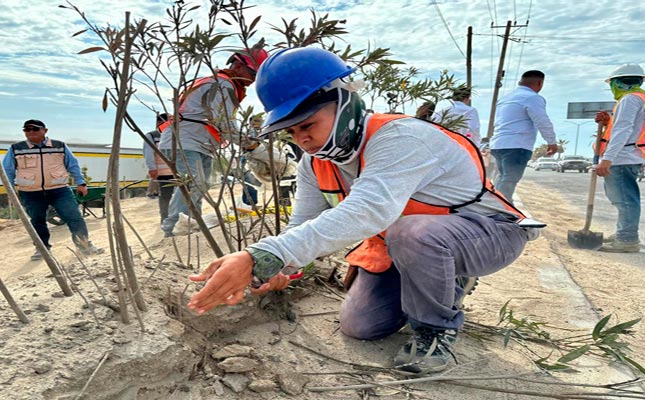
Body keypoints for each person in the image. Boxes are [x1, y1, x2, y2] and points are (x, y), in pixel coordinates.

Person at [186, 48, 538, 375]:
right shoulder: (315, 163)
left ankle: (436, 329)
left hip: (486, 233)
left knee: (413, 233)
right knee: (361, 325)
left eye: (307, 124)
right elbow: (302, 225)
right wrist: (281, 267)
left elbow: (369, 210)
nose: (302, 139)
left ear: (344, 102)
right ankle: (435, 281)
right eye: (291, 132)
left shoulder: (400, 138)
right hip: (406, 245)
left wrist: (260, 256)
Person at [158, 47, 268, 237]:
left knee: (200, 185)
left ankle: (191, 226)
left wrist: (248, 141)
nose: (253, 80)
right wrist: (250, 144)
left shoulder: (225, 85)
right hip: (186, 141)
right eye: (252, 73)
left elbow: (226, 121)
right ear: (239, 66)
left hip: (198, 142)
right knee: (194, 184)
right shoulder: (223, 85)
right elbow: (223, 123)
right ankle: (174, 229)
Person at [2, 119, 104, 260]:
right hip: (31, 192)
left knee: (74, 218)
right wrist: (10, 189)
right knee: (37, 221)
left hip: (59, 190)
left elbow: (72, 164)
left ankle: (85, 245)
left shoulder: (59, 146)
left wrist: (81, 182)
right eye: (27, 130)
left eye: (35, 129)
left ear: (45, 130)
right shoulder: (16, 148)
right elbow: (8, 170)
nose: (31, 132)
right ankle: (42, 249)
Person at [593, 64, 645, 253]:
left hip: (622, 156)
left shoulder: (629, 100)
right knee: (623, 197)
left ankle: (627, 239)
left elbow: (624, 130)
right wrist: (607, 122)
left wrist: (607, 159)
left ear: (617, 83)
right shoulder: (640, 98)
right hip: (630, 155)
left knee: (624, 199)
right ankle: (624, 232)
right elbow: (631, 127)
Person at [490, 70, 558, 201]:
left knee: (503, 178)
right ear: (540, 83)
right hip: (516, 145)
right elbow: (542, 121)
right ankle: (501, 209)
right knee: (509, 179)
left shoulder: (505, 99)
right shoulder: (532, 98)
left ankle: (501, 207)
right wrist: (551, 142)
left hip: (498, 144)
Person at [143, 113, 175, 223]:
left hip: (178, 172)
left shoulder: (175, 135)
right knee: (166, 197)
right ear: (159, 123)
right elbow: (148, 153)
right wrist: (152, 168)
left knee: (180, 197)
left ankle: (178, 218)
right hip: (163, 173)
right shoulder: (152, 136)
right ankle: (165, 220)